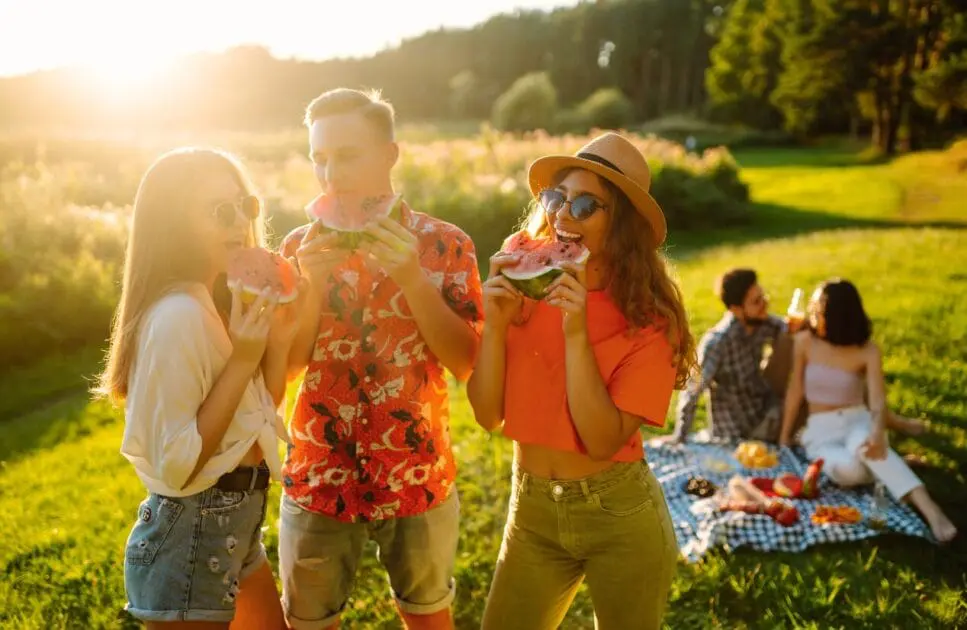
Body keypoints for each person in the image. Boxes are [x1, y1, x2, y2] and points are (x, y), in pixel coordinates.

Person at [467, 131, 695, 630]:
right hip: (529, 509)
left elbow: (601, 440)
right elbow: (487, 415)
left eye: (588, 204)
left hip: (617, 513)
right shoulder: (521, 263)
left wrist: (576, 333)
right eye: (556, 197)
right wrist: (498, 321)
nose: (563, 215)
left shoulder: (651, 319)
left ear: (623, 228)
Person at [276, 88, 484, 630]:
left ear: (390, 154)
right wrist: (311, 289)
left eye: (347, 156)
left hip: (416, 469)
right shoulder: (300, 250)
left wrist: (413, 278)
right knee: (307, 621)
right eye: (319, 158)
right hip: (319, 472)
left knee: (428, 615)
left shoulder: (448, 246)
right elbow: (291, 367)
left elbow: (466, 364)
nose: (330, 174)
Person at [96, 147, 296, 628]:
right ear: (175, 225)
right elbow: (179, 466)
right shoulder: (178, 317)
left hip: (236, 524)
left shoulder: (213, 301)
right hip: (189, 540)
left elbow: (257, 415)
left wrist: (279, 339)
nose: (238, 223)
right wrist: (244, 357)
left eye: (243, 206)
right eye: (217, 211)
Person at [779, 279, 956, 543]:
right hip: (820, 430)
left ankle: (932, 511)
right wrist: (783, 436)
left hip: (856, 420)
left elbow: (877, 400)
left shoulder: (867, 351)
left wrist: (875, 431)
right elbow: (795, 390)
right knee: (850, 471)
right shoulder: (804, 342)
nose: (812, 315)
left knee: (868, 448)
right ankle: (896, 464)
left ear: (836, 317)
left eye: (817, 310)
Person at [665, 268, 926, 444]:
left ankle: (885, 424)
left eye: (763, 296)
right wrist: (679, 437)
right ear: (735, 309)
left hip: (769, 407)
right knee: (827, 397)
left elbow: (790, 328)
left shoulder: (761, 324)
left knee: (827, 367)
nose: (765, 303)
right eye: (756, 301)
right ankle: (881, 446)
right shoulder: (717, 342)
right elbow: (692, 390)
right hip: (746, 431)